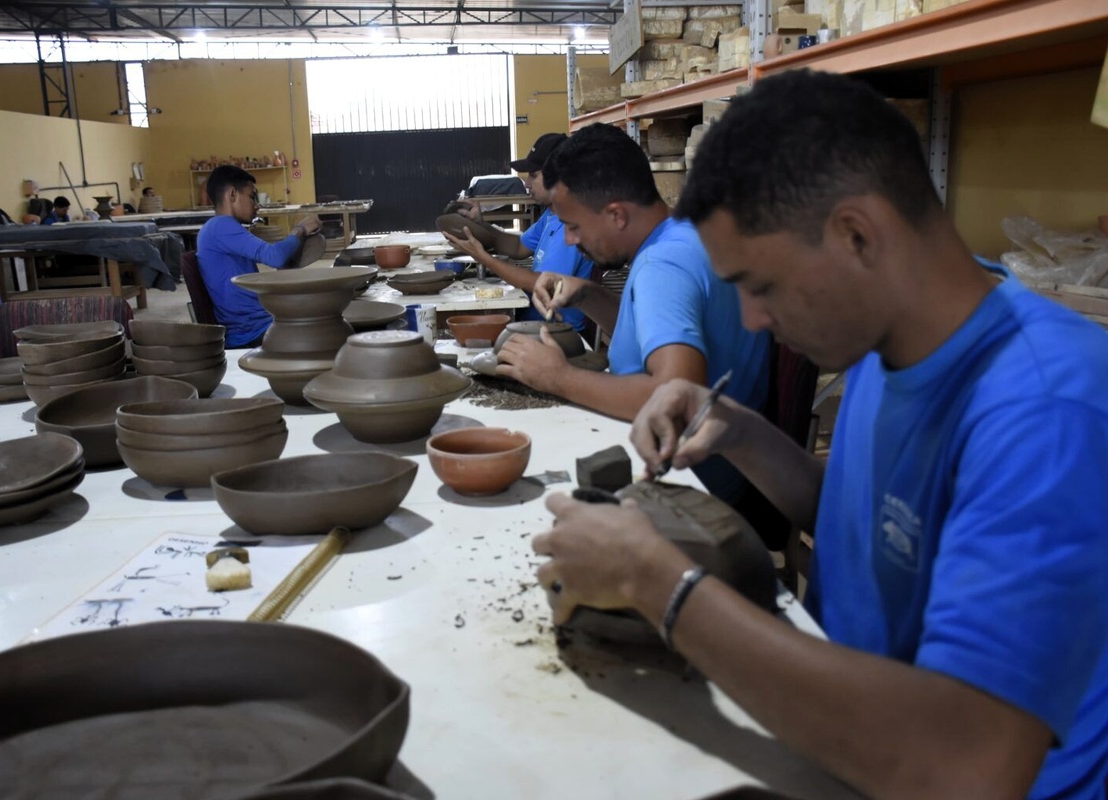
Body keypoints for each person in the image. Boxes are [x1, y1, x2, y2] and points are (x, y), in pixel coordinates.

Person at [532, 70, 1108, 799]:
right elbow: (875, 523)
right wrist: (739, 431)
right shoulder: (891, 337)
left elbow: (963, 766)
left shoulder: (1048, 409)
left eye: (762, 286)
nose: (752, 321)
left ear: (857, 235)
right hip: (848, 733)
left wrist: (659, 585)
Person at [503, 122, 769, 503]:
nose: (570, 240)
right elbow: (648, 335)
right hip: (713, 464)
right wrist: (589, 295)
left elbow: (675, 397)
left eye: (573, 226)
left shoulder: (663, 266)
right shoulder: (682, 232)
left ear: (616, 215)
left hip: (693, 484)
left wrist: (558, 377)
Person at [442, 133, 596, 333]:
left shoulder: (571, 225)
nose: (526, 183)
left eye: (533, 175)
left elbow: (540, 283)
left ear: (559, 177)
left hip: (557, 331)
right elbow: (518, 247)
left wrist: (483, 257)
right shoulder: (551, 214)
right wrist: (480, 225)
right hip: (532, 318)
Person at [196, 164, 321, 349]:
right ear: (232, 194)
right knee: (326, 331)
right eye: (251, 196)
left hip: (258, 324)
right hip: (250, 333)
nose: (257, 205)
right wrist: (300, 229)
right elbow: (275, 256)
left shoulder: (222, 229)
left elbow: (275, 263)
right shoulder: (220, 226)